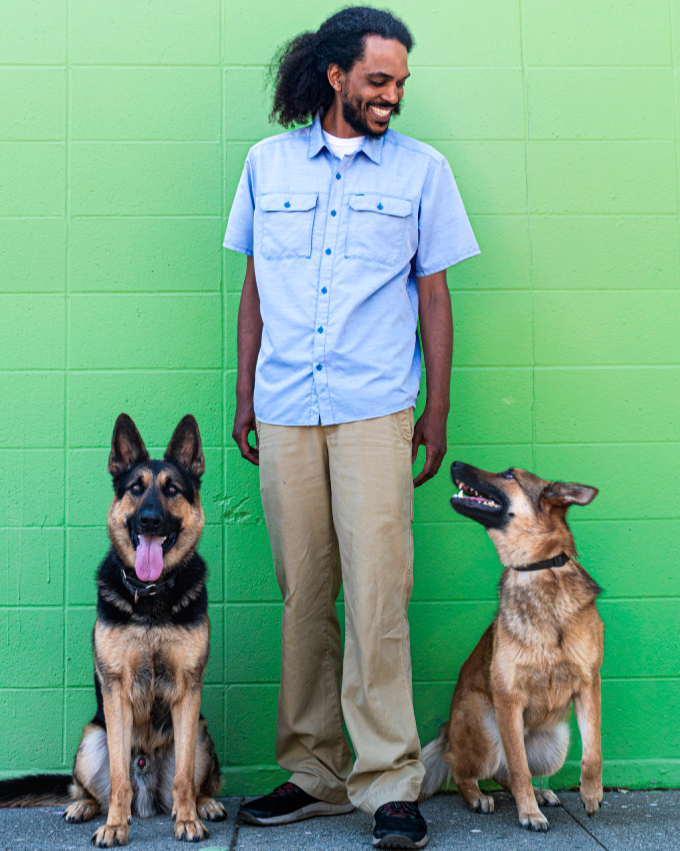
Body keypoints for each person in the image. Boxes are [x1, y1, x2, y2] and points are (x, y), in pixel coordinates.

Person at [224, 7, 479, 848]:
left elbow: (434, 296)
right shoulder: (267, 165)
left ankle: (388, 780)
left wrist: (433, 409)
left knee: (378, 594)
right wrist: (245, 394)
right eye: (379, 80)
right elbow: (255, 289)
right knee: (304, 595)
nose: (391, 95)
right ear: (335, 75)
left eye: (400, 82)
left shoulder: (421, 171)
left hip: (376, 407)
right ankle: (315, 771)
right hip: (288, 405)